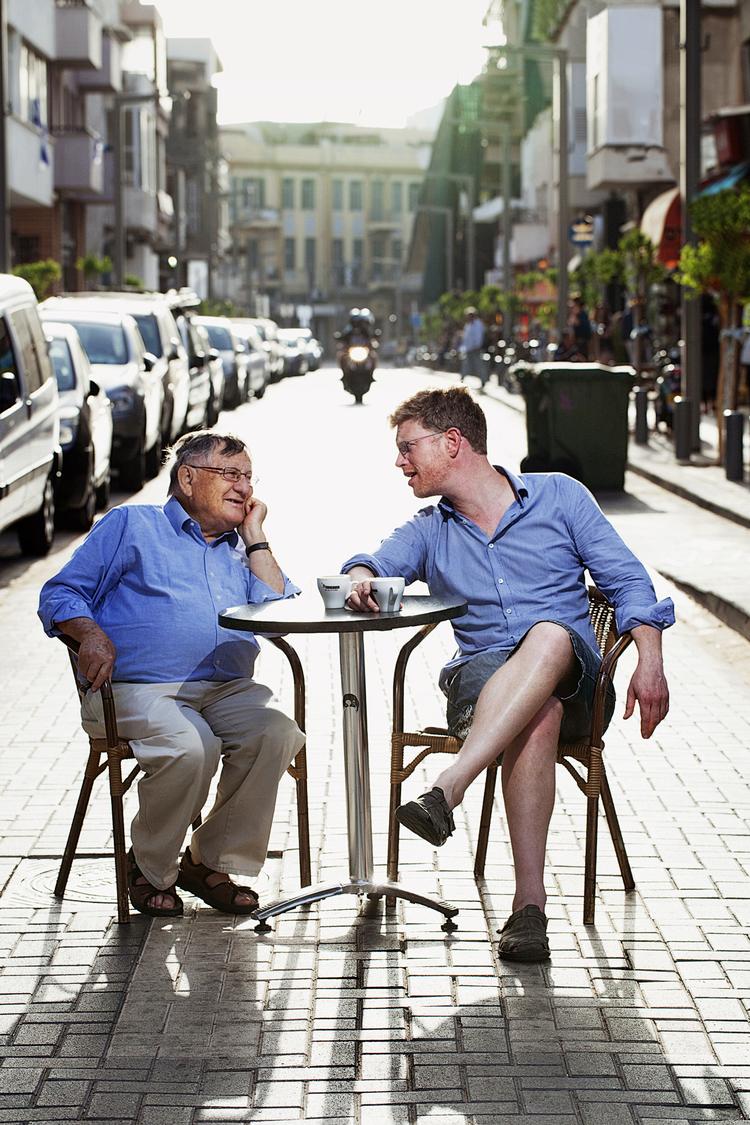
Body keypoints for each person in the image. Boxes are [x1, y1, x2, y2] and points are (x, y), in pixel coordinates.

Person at [342, 387, 673, 963]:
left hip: (575, 681)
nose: (400, 463)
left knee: (548, 636)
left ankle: (449, 786)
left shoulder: (560, 497)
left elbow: (627, 581)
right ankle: (529, 909)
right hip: (481, 684)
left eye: (407, 448)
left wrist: (650, 660)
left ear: (452, 443)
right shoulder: (428, 529)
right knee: (535, 714)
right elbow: (369, 563)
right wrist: (361, 579)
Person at [38, 431, 305, 919]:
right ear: (187, 477)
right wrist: (90, 633)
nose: (244, 487)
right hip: (135, 691)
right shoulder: (132, 525)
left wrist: (256, 536)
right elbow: (59, 594)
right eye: (231, 474)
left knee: (276, 733)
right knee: (191, 745)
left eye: (249, 477)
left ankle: (207, 863)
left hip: (226, 690)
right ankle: (147, 866)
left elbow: (277, 614)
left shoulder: (238, 546)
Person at [460, 307, 487, 387]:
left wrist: (477, 345)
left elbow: (479, 336)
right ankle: (462, 379)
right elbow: (465, 338)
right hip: (468, 348)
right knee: (466, 364)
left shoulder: (478, 324)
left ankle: (484, 380)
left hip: (476, 348)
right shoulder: (467, 325)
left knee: (479, 365)